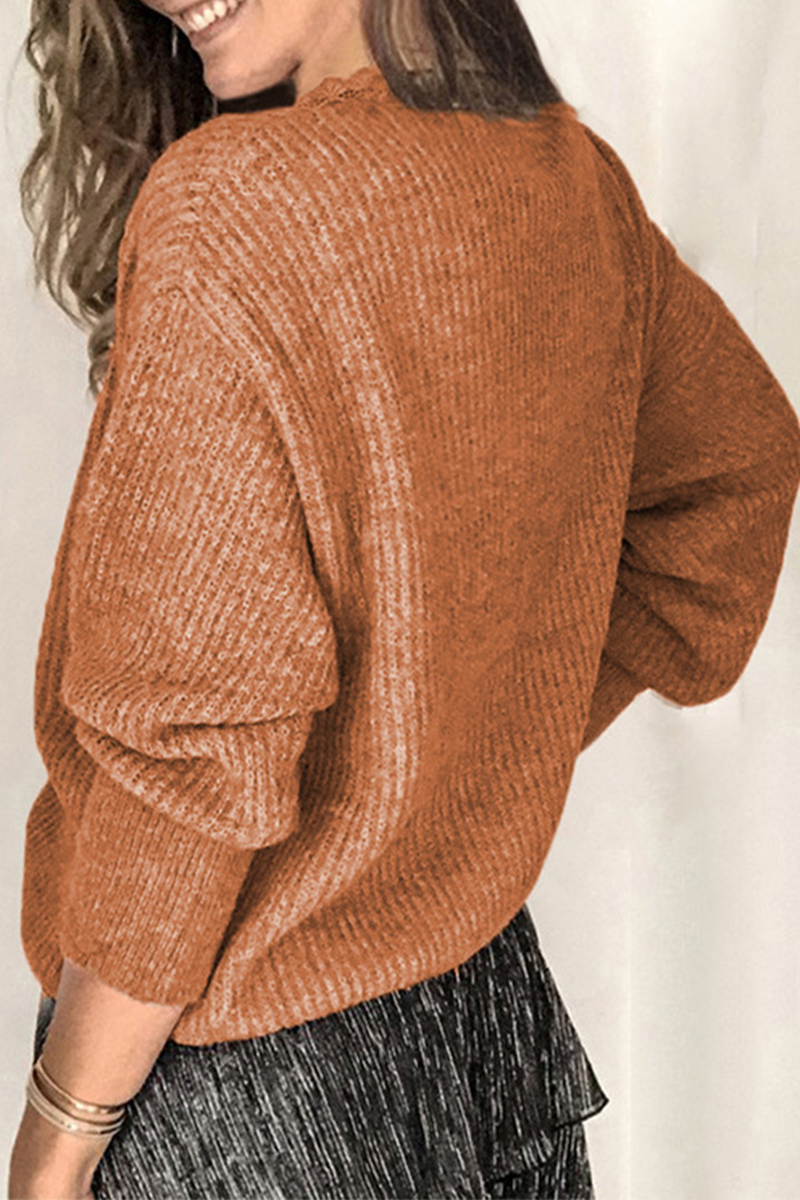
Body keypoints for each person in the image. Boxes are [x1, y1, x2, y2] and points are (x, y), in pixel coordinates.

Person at [9, 0, 800, 1196]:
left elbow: (189, 772)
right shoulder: (567, 178)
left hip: (245, 1092)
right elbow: (733, 481)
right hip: (487, 1031)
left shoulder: (233, 208)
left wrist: (55, 1145)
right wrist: (442, 752)